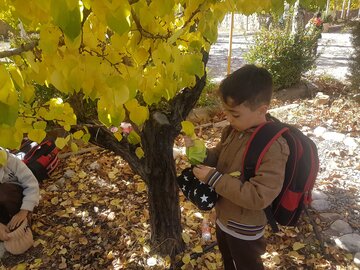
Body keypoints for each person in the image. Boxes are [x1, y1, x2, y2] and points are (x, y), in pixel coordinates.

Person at [184, 65, 289, 270]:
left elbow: (259, 196)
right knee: (229, 260)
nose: (229, 120)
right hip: (224, 217)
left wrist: (214, 179)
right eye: (226, 113)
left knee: (247, 265)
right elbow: (219, 157)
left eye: (235, 115)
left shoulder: (274, 148)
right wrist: (199, 152)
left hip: (245, 228)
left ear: (261, 109)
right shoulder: (234, 131)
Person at [0, 148, 39, 244]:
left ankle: (23, 219)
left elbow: (31, 184)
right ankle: (6, 226)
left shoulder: (9, 160)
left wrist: (24, 211)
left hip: (17, 198)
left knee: (4, 192)